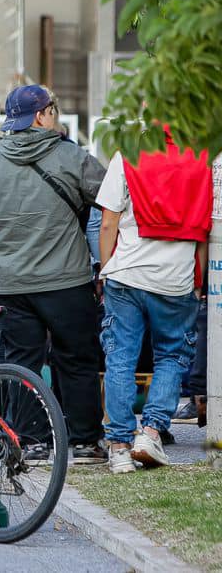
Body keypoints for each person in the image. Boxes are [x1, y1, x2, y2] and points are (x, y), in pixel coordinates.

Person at [0, 84, 108, 464]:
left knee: (21, 363)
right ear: (41, 115)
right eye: (54, 108)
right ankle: (83, 442)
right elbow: (112, 202)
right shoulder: (72, 157)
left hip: (12, 284)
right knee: (77, 360)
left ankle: (31, 440)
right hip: (66, 281)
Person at [97, 141, 210, 474]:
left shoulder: (128, 153)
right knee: (172, 355)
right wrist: (197, 281)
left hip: (127, 273)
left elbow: (107, 223)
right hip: (175, 276)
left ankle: (118, 448)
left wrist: (105, 270)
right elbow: (203, 231)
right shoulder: (201, 159)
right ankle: (150, 433)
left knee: (120, 358)